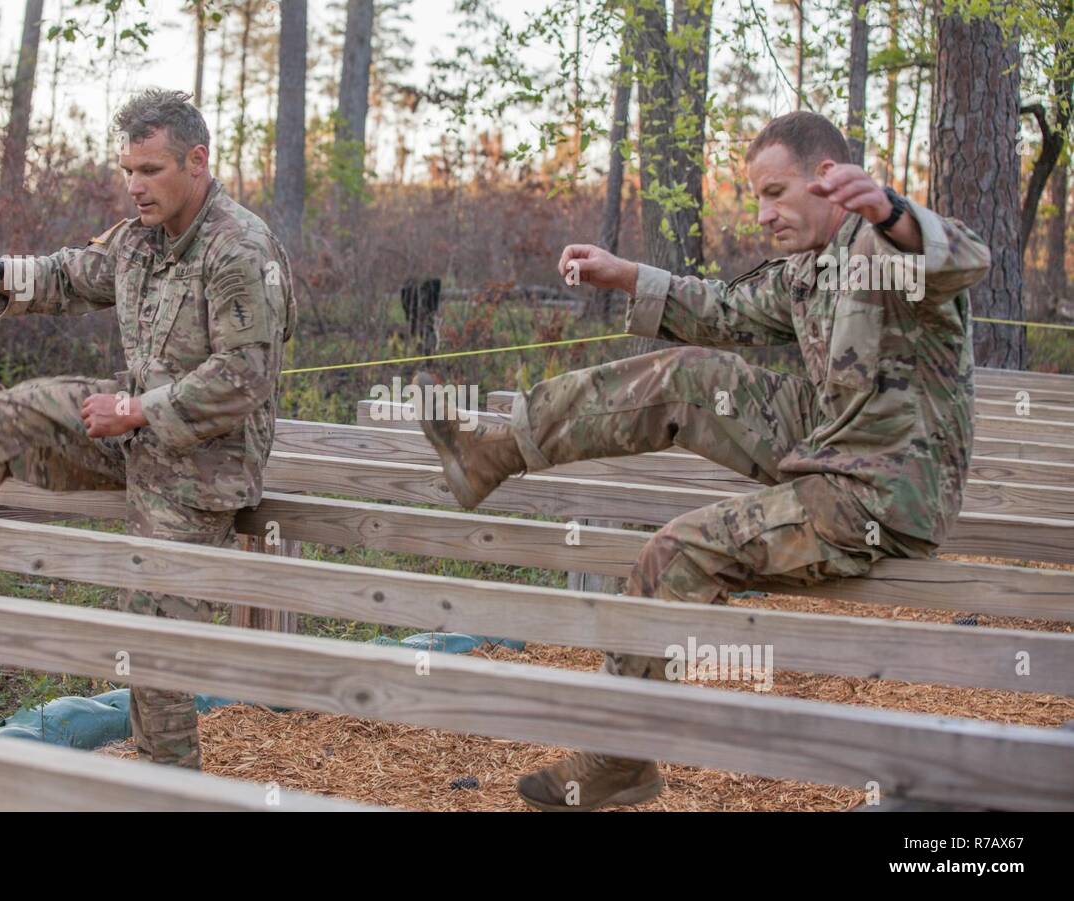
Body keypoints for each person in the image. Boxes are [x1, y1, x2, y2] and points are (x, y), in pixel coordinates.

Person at [413, 111, 991, 811]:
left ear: (828, 179)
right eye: (756, 197)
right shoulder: (806, 268)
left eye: (776, 193)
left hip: (883, 490)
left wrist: (895, 211)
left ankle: (619, 756)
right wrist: (627, 275)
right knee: (690, 375)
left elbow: (965, 257)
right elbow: (727, 310)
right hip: (827, 440)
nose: (763, 213)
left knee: (676, 551)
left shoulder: (886, 245)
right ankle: (492, 451)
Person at [0, 88, 296, 770]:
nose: (134, 186)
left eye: (149, 170)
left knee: (151, 641)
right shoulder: (142, 239)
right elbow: (73, 274)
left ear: (197, 161)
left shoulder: (240, 250)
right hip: (133, 421)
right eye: (127, 170)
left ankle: (171, 783)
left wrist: (138, 410)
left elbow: (245, 378)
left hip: (204, 458)